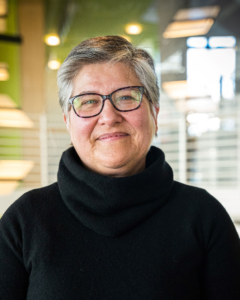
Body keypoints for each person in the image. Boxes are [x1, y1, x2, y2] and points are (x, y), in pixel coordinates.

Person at [0, 35, 240, 300]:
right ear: (68, 122)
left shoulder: (204, 217)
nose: (109, 116)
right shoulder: (23, 221)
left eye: (126, 97)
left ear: (155, 114)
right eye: (89, 101)